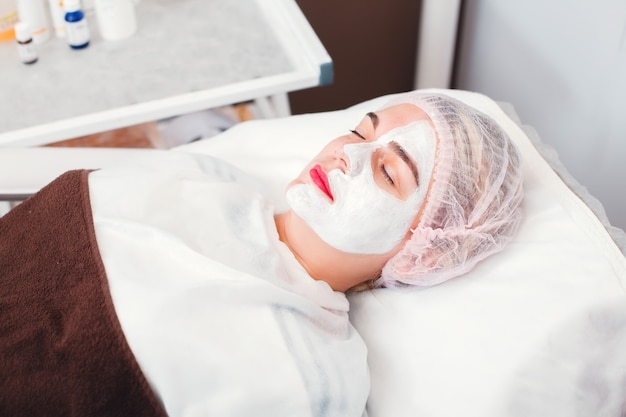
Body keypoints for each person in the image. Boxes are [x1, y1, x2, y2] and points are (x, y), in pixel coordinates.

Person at [0, 91, 523, 417]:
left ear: (425, 252)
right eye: (360, 131)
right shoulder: (207, 176)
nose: (349, 154)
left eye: (390, 171)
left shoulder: (316, 380)